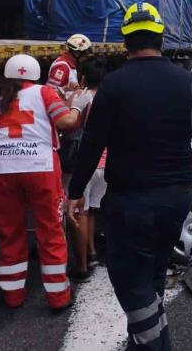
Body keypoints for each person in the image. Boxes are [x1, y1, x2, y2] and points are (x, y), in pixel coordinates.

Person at [67, 2, 192, 351]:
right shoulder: (185, 81)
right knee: (154, 271)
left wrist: (75, 190)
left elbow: (92, 143)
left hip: (133, 199)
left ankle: (154, 344)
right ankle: (143, 341)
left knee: (129, 278)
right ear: (160, 38)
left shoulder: (114, 85)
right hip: (177, 195)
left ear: (125, 42)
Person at [0, 54, 82, 311]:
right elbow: (67, 122)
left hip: (4, 171)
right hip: (40, 168)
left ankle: (13, 295)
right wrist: (78, 106)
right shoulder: (45, 93)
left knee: (10, 232)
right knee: (49, 231)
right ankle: (58, 297)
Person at [66, 58, 109, 281]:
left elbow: (69, 125)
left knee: (78, 213)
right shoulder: (110, 98)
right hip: (106, 163)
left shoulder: (81, 98)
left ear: (83, 78)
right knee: (92, 209)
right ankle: (92, 252)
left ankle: (81, 266)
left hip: (87, 163)